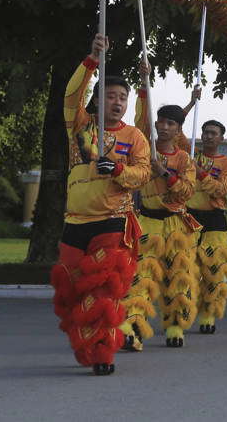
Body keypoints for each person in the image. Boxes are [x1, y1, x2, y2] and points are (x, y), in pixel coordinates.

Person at [50, 33, 152, 376]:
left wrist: (119, 169)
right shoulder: (80, 126)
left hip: (112, 221)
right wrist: (91, 60)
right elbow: (70, 96)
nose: (118, 102)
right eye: (110, 96)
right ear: (97, 101)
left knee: (104, 291)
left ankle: (103, 353)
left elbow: (143, 173)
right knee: (72, 292)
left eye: (122, 97)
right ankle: (88, 345)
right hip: (75, 222)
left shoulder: (133, 136)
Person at [123, 73, 200, 350]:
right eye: (162, 122)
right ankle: (134, 328)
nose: (165, 127)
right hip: (148, 223)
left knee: (177, 277)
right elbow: (140, 118)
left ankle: (176, 326)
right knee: (142, 276)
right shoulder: (144, 149)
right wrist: (144, 82)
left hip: (177, 226)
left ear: (178, 130)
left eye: (171, 124)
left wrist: (164, 174)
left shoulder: (184, 159)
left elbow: (187, 192)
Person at [187, 119, 227, 334]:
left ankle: (208, 313)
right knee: (186, 268)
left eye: (213, 133)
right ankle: (183, 313)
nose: (208, 136)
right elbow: (175, 127)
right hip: (189, 217)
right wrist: (190, 101)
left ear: (221, 138)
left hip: (215, 218)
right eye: (205, 132)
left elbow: (221, 190)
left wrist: (201, 173)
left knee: (212, 269)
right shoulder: (189, 154)